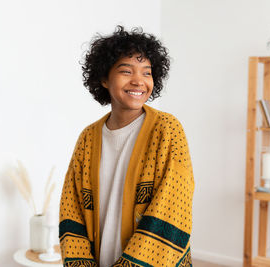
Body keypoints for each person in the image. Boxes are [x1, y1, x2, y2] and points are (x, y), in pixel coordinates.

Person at [59, 25, 194, 267]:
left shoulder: (167, 129)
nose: (138, 81)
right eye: (126, 71)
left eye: (147, 72)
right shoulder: (88, 138)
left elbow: (172, 206)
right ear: (103, 78)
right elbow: (72, 208)